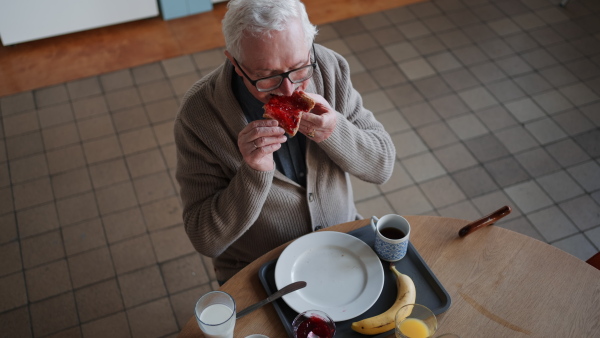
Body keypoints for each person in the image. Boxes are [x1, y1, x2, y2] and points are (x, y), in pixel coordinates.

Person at [174, 0, 396, 283]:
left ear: (309, 45)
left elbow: (382, 166)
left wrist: (336, 131)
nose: (288, 89)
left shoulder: (328, 67)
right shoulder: (199, 115)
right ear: (236, 65)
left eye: (300, 68)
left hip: (341, 243)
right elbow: (205, 237)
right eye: (267, 77)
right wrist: (253, 172)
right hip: (258, 270)